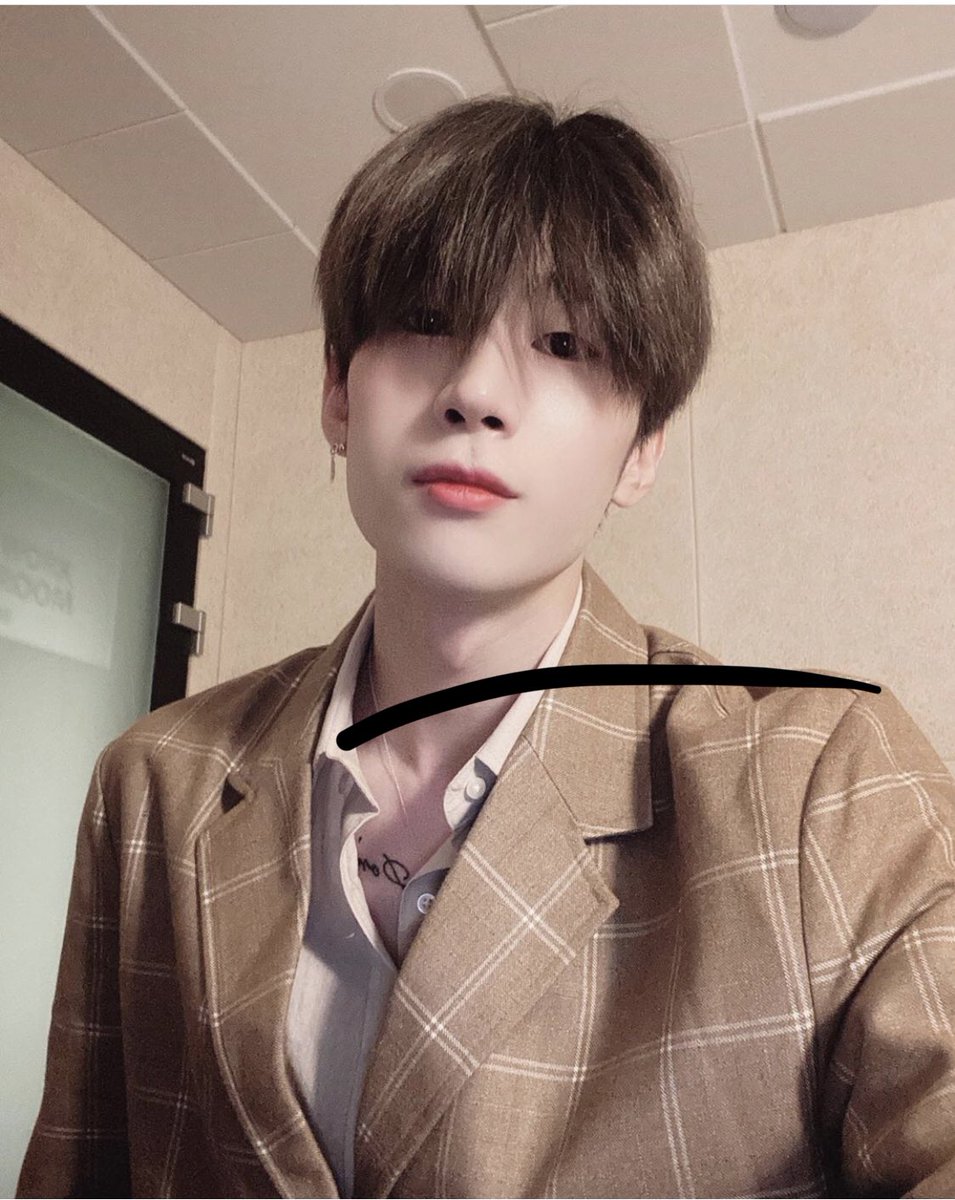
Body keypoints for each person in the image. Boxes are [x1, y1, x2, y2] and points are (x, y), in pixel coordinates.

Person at [17, 93, 955, 1200]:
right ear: (337, 392)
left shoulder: (820, 782)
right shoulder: (154, 786)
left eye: (562, 343)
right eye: (426, 321)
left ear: (642, 449)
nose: (473, 393)